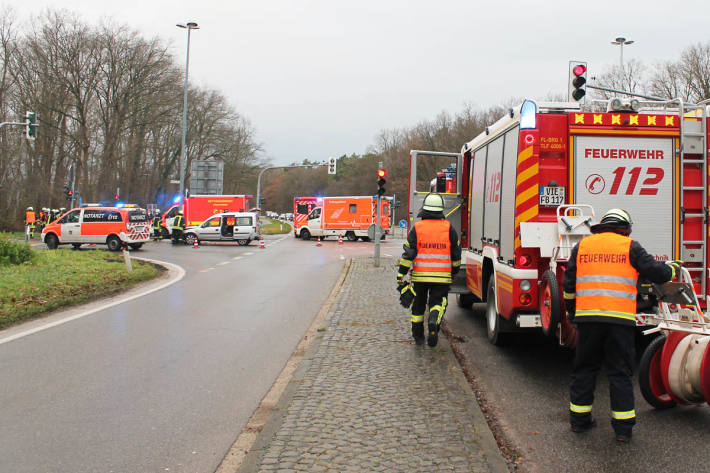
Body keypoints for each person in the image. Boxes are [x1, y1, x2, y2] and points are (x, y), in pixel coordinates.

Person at [562, 208, 677, 443]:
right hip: (619, 322)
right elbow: (657, 272)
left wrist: (572, 313)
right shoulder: (630, 246)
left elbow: (569, 285)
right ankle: (623, 430)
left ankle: (579, 422)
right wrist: (673, 268)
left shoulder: (582, 247)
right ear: (625, 228)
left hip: (588, 321)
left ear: (602, 226)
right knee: (620, 373)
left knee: (584, 369)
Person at [397, 193, 461, 347]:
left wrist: (401, 274)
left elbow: (408, 254)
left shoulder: (417, 228)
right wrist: (454, 272)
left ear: (424, 210)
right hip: (441, 278)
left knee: (418, 306)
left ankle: (418, 337)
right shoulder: (449, 228)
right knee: (438, 303)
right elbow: (456, 254)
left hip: (420, 277)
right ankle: (433, 321)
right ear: (441, 211)